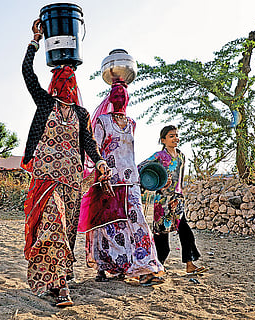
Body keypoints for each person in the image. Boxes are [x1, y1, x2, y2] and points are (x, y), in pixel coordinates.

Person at [21, 19, 113, 307]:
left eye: (69, 78)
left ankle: (55, 279)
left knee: (66, 231)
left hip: (72, 180)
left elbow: (89, 143)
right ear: (53, 83)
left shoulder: (82, 114)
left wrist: (99, 162)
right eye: (61, 78)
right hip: (46, 180)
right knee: (53, 227)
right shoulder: (45, 104)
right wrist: (35, 42)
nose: (66, 83)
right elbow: (27, 74)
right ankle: (60, 287)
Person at [80, 81, 164, 286]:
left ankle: (146, 266)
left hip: (131, 180)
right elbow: (95, 149)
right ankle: (104, 264)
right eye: (115, 94)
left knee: (138, 222)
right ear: (110, 98)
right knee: (107, 224)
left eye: (123, 95)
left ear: (127, 99)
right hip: (109, 179)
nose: (119, 98)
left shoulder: (132, 123)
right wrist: (101, 175)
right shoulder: (102, 121)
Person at [139, 125, 206, 275]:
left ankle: (190, 264)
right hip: (162, 200)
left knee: (185, 231)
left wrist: (180, 194)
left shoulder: (181, 156)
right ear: (163, 140)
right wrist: (154, 182)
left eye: (176, 135)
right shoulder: (159, 156)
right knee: (162, 235)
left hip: (177, 199)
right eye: (171, 136)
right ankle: (156, 266)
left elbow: (180, 178)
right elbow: (141, 167)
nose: (175, 138)